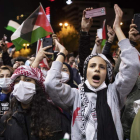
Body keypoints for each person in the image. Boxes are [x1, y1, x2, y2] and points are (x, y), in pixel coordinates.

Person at [44, 4, 140, 140]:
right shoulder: (75, 95)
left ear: (107, 74)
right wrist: (61, 54)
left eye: (102, 67)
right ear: (85, 72)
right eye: (92, 66)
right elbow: (50, 83)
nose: (96, 69)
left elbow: (133, 64)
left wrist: (118, 29)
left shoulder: (115, 92)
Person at [0, 65, 71, 140]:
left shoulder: (55, 117)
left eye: (27, 80)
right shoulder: (7, 120)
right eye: (17, 81)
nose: (21, 84)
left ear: (37, 86)